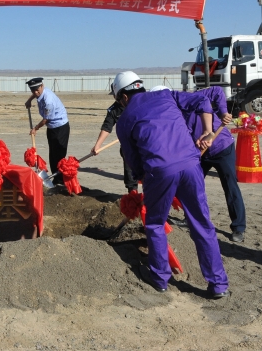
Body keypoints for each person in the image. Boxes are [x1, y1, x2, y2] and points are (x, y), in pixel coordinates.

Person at [114, 71, 229, 298]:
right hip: (191, 165)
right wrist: (207, 130)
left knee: (155, 223)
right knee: (202, 224)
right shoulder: (167, 95)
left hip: (160, 171)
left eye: (118, 100)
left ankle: (160, 278)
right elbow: (203, 100)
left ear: (124, 97)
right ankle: (218, 284)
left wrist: (142, 178)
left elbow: (132, 159)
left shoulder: (125, 120)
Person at [156, 85, 247, 243]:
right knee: (189, 186)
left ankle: (238, 227)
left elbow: (217, 91)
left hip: (222, 147)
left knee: (230, 185)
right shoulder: (168, 117)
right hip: (200, 153)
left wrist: (223, 112)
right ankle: (189, 218)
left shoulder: (192, 98)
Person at [91, 83, 138, 193]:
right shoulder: (113, 110)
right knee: (129, 171)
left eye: (116, 94)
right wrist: (98, 145)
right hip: (127, 145)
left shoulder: (138, 103)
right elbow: (107, 127)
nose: (115, 97)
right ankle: (133, 195)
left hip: (143, 142)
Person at [24, 78, 70, 185]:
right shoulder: (39, 93)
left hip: (60, 127)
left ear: (42, 86)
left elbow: (46, 119)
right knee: (52, 155)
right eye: (32, 90)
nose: (35, 92)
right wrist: (29, 100)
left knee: (59, 155)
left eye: (37, 90)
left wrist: (35, 128)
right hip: (51, 128)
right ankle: (55, 179)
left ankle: (61, 181)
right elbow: (35, 95)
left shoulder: (48, 100)